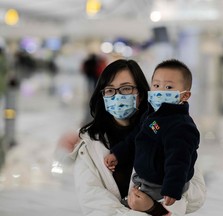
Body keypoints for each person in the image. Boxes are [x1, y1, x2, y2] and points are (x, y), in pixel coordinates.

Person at [70, 59, 206, 215]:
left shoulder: (171, 128)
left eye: (126, 89)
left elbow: (196, 194)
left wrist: (155, 206)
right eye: (109, 90)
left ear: (141, 94)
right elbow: (95, 206)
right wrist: (152, 211)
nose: (117, 96)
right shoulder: (89, 146)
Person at [104, 59, 199, 213]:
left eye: (168, 87)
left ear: (185, 95)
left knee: (139, 207)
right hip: (146, 177)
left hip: (161, 185)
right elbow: (136, 136)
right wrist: (118, 153)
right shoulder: (152, 114)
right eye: (156, 85)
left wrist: (172, 188)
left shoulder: (181, 126)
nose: (160, 91)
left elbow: (179, 160)